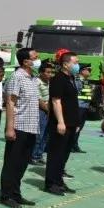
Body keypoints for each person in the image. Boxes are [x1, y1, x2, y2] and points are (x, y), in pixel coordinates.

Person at [0, 48, 42, 208]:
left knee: (22, 164)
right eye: (35, 57)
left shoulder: (33, 78)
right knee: (12, 163)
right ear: (25, 61)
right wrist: (10, 128)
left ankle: (15, 193)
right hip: (19, 127)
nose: (38, 60)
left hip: (31, 127)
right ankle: (6, 195)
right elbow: (10, 102)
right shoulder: (17, 77)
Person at [44, 52, 81, 195]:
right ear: (65, 64)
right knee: (56, 154)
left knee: (64, 154)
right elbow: (56, 101)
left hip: (71, 123)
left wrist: (76, 123)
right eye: (75, 62)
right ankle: (51, 183)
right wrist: (60, 122)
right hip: (61, 123)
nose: (77, 65)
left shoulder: (71, 78)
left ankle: (59, 180)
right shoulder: (58, 79)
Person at [30, 61, 55, 164]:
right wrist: (48, 110)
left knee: (46, 135)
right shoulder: (37, 82)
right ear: (41, 72)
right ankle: (33, 156)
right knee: (38, 135)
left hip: (48, 110)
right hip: (41, 111)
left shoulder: (50, 82)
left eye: (51, 72)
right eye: (48, 72)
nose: (50, 74)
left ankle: (39, 155)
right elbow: (38, 100)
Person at [71, 64, 93, 153]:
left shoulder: (86, 81)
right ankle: (71, 145)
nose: (90, 72)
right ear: (82, 71)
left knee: (79, 127)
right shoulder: (77, 80)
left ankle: (75, 145)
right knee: (75, 127)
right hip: (78, 106)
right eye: (88, 70)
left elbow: (87, 94)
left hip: (85, 107)